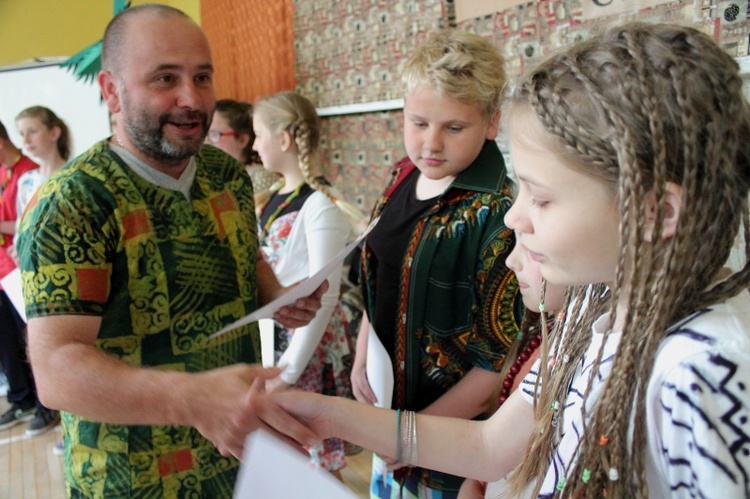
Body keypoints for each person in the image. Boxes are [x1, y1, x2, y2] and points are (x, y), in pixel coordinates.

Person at [273, 22, 750, 498]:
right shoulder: (592, 307)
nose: (513, 217)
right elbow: (488, 444)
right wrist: (329, 413)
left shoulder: (703, 369)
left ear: (655, 212)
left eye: (540, 199)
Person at [16, 5, 323, 497]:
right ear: (111, 91)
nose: (191, 99)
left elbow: (246, 257)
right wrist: (193, 400)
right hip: (132, 476)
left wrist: (279, 297)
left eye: (202, 77)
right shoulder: (75, 201)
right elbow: (56, 370)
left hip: (240, 460)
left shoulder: (226, 175)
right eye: (165, 78)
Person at [351, 29, 522, 497]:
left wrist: (412, 437)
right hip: (391, 419)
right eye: (418, 122)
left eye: (453, 127)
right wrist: (363, 352)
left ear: (490, 123)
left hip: (443, 443)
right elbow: (378, 270)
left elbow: (494, 364)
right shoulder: (403, 175)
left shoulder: (496, 213)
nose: (430, 143)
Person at [252, 90, 363, 474]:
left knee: (314, 462)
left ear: (283, 139)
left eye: (258, 134)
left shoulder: (318, 206)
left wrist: (289, 372)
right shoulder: (267, 199)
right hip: (272, 341)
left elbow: (324, 295)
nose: (253, 144)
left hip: (304, 347)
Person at [457, 238, 565, 498]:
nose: (511, 260)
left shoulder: (569, 357)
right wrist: (475, 481)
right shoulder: (543, 337)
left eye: (531, 248)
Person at [0, 120, 39, 433]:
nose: (27, 139)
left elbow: (26, 223)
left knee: (31, 338)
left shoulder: (30, 174)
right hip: (3, 270)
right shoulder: (5, 172)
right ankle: (21, 399)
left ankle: (45, 404)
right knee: (8, 341)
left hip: (19, 269)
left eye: (32, 132)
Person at [207, 98, 279, 202]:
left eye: (214, 134)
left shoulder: (260, 179)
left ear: (242, 140)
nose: (206, 141)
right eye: (204, 134)